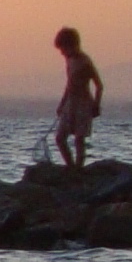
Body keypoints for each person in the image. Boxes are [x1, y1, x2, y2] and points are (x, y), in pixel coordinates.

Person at [50, 27, 102, 171]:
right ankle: (70, 166)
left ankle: (79, 168)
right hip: (70, 104)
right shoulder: (69, 61)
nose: (62, 53)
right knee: (60, 138)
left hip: (84, 104)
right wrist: (62, 104)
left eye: (63, 49)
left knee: (79, 139)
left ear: (73, 45)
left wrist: (96, 105)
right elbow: (69, 85)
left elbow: (99, 85)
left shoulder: (85, 62)